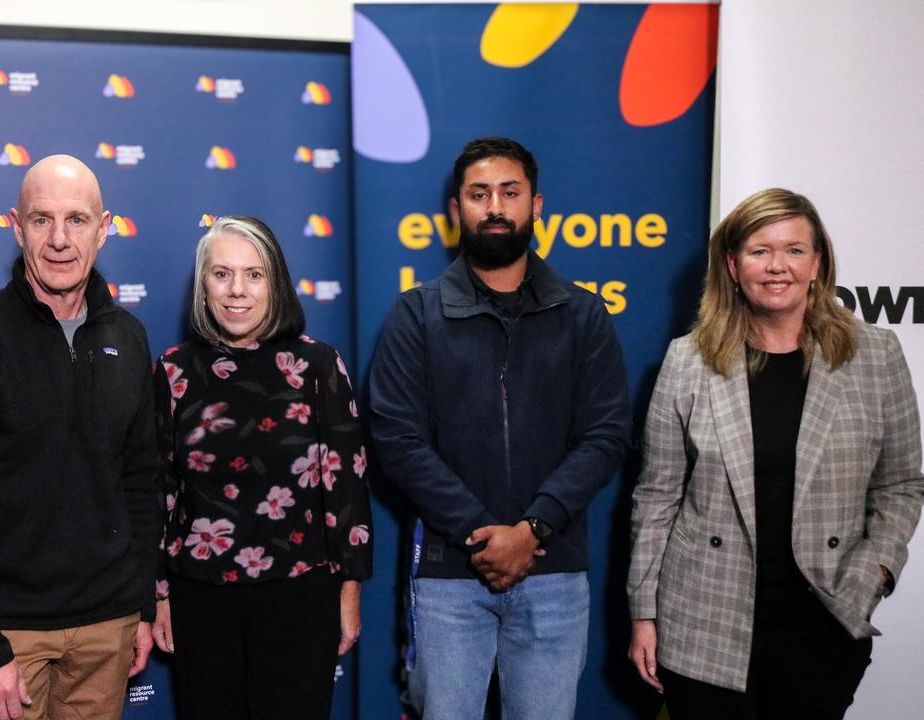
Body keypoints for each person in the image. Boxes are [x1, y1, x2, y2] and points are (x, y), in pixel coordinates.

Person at [627, 188, 924, 718]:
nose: (777, 266)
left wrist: (873, 573)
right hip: (703, 622)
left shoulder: (875, 354)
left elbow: (901, 484)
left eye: (793, 250)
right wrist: (643, 613)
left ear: (818, 263)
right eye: (760, 250)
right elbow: (657, 497)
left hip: (825, 619)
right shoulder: (687, 360)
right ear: (733, 265)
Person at [367, 137, 631, 720]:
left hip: (554, 569)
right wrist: (483, 533)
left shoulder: (583, 315)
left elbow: (607, 434)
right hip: (449, 574)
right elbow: (397, 439)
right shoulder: (417, 314)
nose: (494, 207)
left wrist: (533, 528)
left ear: (536, 206)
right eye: (478, 194)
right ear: (456, 209)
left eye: (509, 193)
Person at [0, 155, 159, 720]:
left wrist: (140, 607)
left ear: (104, 227)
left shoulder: (129, 336)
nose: (59, 239)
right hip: (8, 637)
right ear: (16, 225)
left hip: (109, 627)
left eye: (76, 219)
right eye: (41, 219)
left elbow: (141, 484)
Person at [149, 215, 372, 719]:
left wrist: (350, 589)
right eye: (221, 273)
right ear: (203, 285)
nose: (237, 291)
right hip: (200, 598)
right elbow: (156, 490)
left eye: (254, 274)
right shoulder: (172, 371)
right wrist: (158, 594)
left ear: (276, 283)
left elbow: (347, 488)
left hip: (300, 596)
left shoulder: (317, 366)